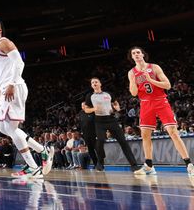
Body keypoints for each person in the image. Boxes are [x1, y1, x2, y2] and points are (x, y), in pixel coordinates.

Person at [0, 18, 53, 179]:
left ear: (0, 30)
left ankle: (34, 165)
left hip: (14, 87)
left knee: (12, 129)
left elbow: (19, 63)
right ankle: (42, 151)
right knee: (4, 129)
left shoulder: (4, 42)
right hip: (6, 89)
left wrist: (11, 84)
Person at [127, 46, 194, 176]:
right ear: (132, 57)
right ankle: (149, 165)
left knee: (173, 132)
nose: (136, 54)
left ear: (142, 54)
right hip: (146, 104)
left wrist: (151, 79)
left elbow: (168, 85)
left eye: (138, 52)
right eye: (133, 53)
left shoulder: (154, 67)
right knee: (145, 135)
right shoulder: (132, 72)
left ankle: (189, 164)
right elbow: (134, 93)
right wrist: (133, 82)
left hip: (160, 101)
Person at [82, 77, 142, 174]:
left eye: (96, 82)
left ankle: (134, 165)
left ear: (100, 84)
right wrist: (93, 109)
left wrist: (117, 107)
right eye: (92, 82)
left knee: (123, 141)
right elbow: (86, 109)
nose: (94, 83)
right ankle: (100, 162)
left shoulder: (108, 94)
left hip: (111, 119)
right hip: (99, 121)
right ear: (91, 85)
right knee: (100, 140)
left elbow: (115, 102)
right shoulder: (90, 96)